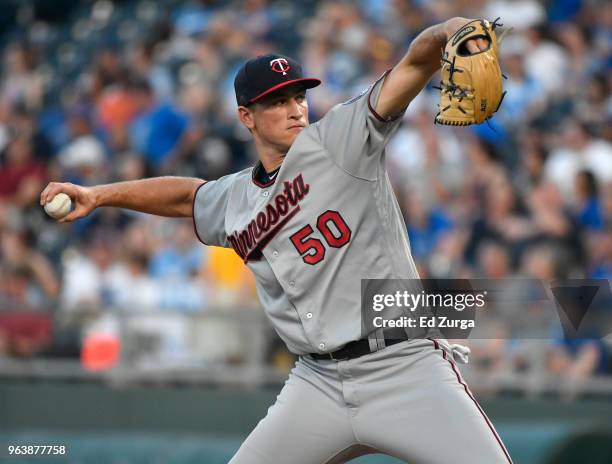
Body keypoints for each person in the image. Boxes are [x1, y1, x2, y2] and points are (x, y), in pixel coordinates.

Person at [41, 17, 512, 464]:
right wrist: (98, 194)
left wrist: (451, 31)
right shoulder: (236, 198)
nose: (294, 108)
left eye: (298, 96)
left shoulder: (339, 140)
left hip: (403, 365)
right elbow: (188, 196)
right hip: (318, 382)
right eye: (276, 101)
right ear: (246, 116)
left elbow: (414, 61)